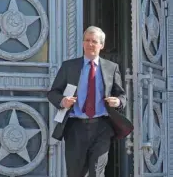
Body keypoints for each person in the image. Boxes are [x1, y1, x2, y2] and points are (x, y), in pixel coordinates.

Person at [47, 26, 133, 177]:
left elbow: (122, 96)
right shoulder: (69, 66)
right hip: (75, 127)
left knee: (97, 172)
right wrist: (62, 101)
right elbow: (53, 93)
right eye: (87, 40)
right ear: (82, 43)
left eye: (94, 41)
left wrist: (118, 102)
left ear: (101, 45)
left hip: (102, 127)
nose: (90, 44)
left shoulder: (111, 68)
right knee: (75, 173)